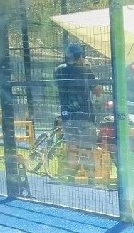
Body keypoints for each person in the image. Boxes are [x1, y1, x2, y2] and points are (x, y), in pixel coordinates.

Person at [53, 42, 103, 181]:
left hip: (67, 116)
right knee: (87, 149)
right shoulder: (86, 71)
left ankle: (70, 178)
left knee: (72, 148)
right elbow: (97, 91)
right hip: (85, 115)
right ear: (80, 56)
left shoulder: (59, 71)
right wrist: (87, 68)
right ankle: (91, 179)